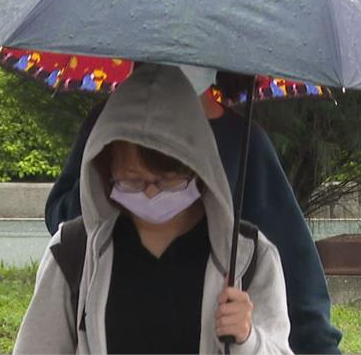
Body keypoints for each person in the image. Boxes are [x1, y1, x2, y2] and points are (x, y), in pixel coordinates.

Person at [45, 68, 342, 355]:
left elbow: (296, 270)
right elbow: (69, 213)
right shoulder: (107, 129)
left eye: (170, 180)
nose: (151, 193)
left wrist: (251, 339)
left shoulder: (246, 148)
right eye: (132, 179)